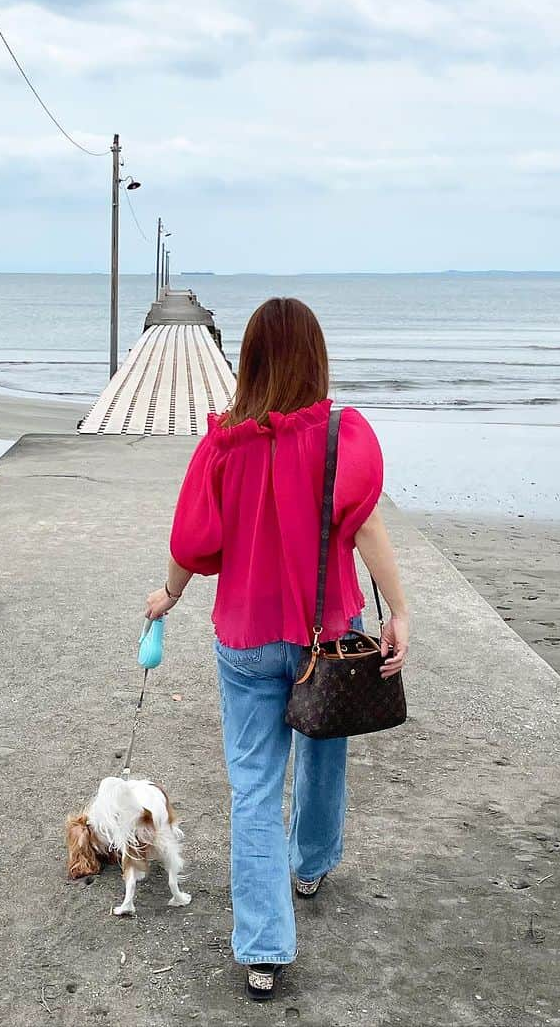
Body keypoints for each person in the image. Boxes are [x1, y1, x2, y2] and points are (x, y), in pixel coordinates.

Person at [145, 296, 411, 1002]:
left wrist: (169, 596)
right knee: (324, 749)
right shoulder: (339, 435)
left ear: (251, 359)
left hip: (246, 638)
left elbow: (192, 544)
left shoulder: (221, 443)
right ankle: (311, 864)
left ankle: (264, 950)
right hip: (325, 636)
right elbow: (366, 530)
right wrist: (401, 613)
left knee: (255, 788)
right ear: (315, 356)